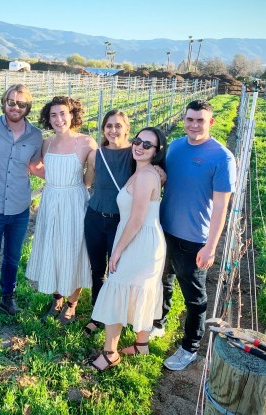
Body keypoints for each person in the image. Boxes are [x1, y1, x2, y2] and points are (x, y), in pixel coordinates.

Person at [152, 99, 236, 371]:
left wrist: (211, 247)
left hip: (194, 239)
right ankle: (159, 323)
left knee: (194, 297)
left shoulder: (222, 157)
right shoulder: (175, 146)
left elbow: (222, 206)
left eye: (200, 120)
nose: (194, 124)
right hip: (165, 229)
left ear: (210, 122)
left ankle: (190, 346)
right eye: (190, 119)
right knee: (163, 281)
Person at [90, 127, 167, 371]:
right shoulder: (143, 171)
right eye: (137, 141)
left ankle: (110, 352)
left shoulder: (145, 176)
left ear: (156, 152)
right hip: (144, 238)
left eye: (147, 145)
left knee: (118, 288)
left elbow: (136, 218)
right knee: (142, 290)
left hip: (140, 240)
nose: (139, 146)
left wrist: (117, 250)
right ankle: (141, 344)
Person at [26, 96, 96, 324]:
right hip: (50, 200)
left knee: (74, 250)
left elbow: (89, 177)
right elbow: (37, 167)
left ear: (72, 114)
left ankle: (71, 303)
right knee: (53, 248)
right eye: (53, 115)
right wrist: (54, 181)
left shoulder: (86, 142)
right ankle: (57, 297)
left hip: (74, 201)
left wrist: (73, 186)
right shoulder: (46, 143)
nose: (58, 119)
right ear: (48, 118)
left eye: (63, 113)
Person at [0, 83, 43, 326]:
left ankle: (8, 296)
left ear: (28, 107)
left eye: (22, 104)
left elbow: (35, 166)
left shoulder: (35, 135)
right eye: (12, 102)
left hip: (19, 207)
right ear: (4, 102)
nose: (16, 107)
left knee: (13, 256)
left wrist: (71, 178)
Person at [83, 109, 133, 335]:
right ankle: (97, 312)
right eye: (109, 126)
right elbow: (87, 182)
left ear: (127, 128)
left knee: (118, 271)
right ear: (103, 129)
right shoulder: (96, 155)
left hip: (120, 222)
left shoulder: (135, 154)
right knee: (97, 269)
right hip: (94, 217)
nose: (113, 130)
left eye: (118, 125)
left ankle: (117, 315)